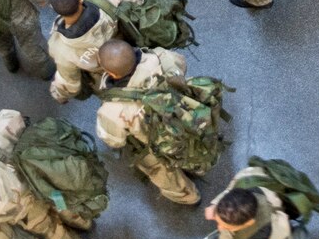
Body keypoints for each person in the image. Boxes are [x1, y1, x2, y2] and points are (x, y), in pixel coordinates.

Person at [93, 37, 222, 205]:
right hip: (184, 115)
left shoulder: (111, 110)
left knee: (159, 170)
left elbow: (114, 141)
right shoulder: (160, 56)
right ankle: (198, 166)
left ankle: (188, 196)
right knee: (191, 144)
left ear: (111, 74)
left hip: (156, 143)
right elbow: (181, 65)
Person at [44, 0, 148, 103]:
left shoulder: (59, 48)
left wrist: (59, 95)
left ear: (55, 10)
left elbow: (71, 85)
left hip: (107, 79)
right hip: (131, 53)